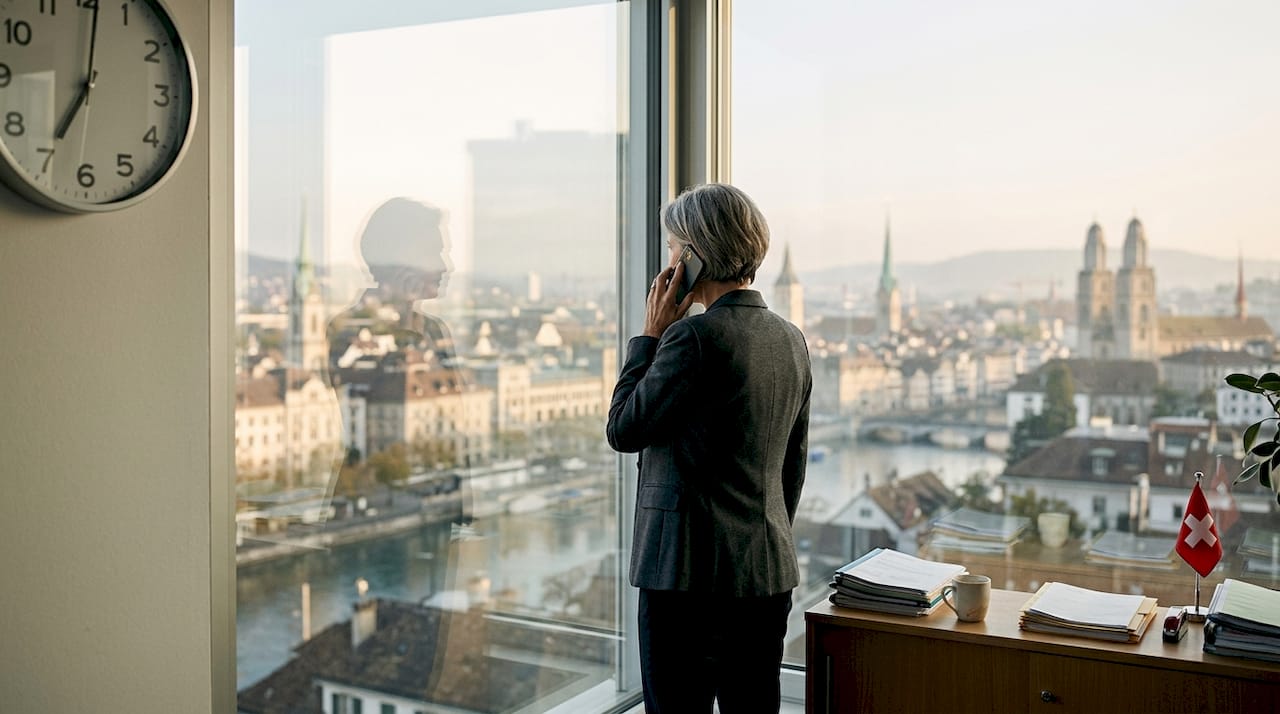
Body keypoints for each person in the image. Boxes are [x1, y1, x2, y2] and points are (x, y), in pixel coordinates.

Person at [606, 183, 812, 712]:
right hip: (766, 570)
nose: (669, 263)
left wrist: (649, 336)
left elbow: (624, 430)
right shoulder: (790, 337)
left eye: (674, 249)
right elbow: (792, 467)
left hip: (685, 576)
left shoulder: (692, 338)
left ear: (695, 257)